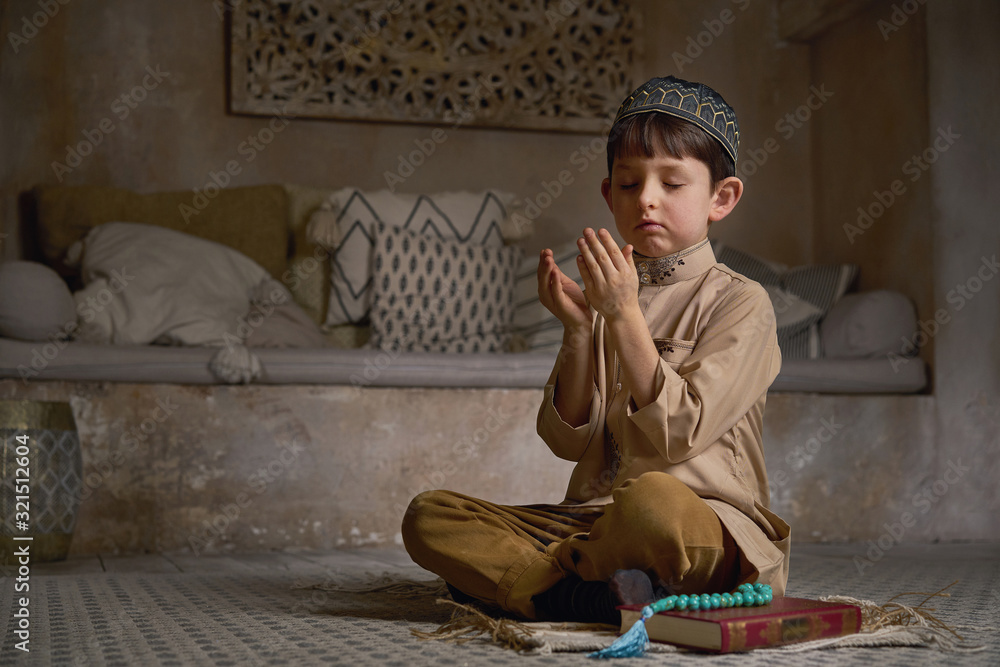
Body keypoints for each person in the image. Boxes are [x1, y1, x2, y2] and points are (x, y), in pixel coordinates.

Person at [401, 75, 790, 624]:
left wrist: (624, 315)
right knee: (431, 516)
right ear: (610, 194)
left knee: (651, 503)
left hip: (698, 523)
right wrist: (581, 331)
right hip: (590, 521)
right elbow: (565, 440)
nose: (647, 199)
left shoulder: (741, 303)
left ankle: (534, 581)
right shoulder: (609, 298)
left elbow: (681, 431)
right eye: (628, 184)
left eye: (673, 184)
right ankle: (583, 592)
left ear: (720, 198)